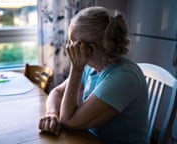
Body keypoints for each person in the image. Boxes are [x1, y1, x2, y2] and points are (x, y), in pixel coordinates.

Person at [38, 6, 148, 144]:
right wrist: (52, 113)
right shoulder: (91, 67)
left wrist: (76, 69)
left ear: (91, 48)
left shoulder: (123, 78)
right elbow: (57, 91)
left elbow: (68, 121)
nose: (68, 47)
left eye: (72, 42)